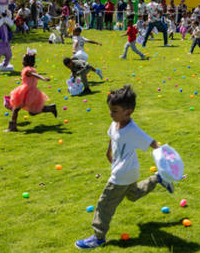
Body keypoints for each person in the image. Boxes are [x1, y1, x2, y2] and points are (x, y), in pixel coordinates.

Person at [74, 85, 175, 249]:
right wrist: (108, 152)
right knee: (133, 195)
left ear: (127, 112)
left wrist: (166, 155)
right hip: (131, 171)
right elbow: (112, 137)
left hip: (121, 175)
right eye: (110, 109)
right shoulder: (115, 123)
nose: (110, 113)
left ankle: (98, 237)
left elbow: (152, 142)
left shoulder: (133, 130)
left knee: (104, 205)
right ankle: (158, 177)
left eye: (114, 110)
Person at [6, 50, 57, 132]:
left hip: (27, 92)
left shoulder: (28, 70)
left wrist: (43, 78)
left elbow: (34, 75)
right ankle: (51, 108)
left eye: (23, 61)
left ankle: (12, 127)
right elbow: (31, 77)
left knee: (16, 108)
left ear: (26, 63)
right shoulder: (31, 69)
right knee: (32, 112)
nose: (22, 62)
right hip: (32, 92)